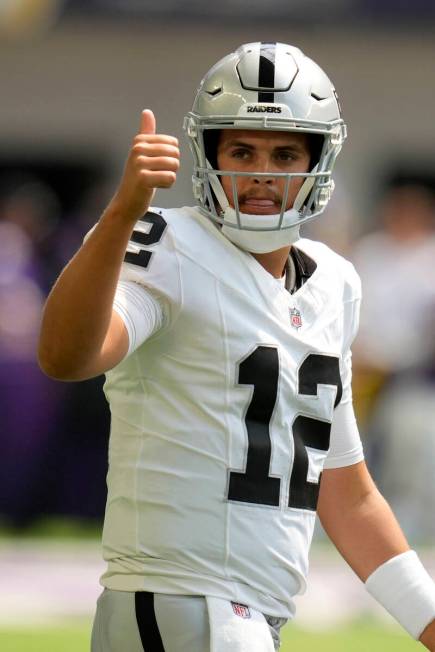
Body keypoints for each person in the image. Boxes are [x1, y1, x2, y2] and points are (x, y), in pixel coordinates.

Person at [38, 42, 435, 651]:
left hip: (246, 612)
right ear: (209, 154)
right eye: (243, 150)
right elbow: (68, 356)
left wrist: (429, 621)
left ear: (318, 162)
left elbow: (347, 494)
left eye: (284, 153)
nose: (262, 173)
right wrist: (119, 217)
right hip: (181, 598)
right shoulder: (164, 242)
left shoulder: (335, 283)